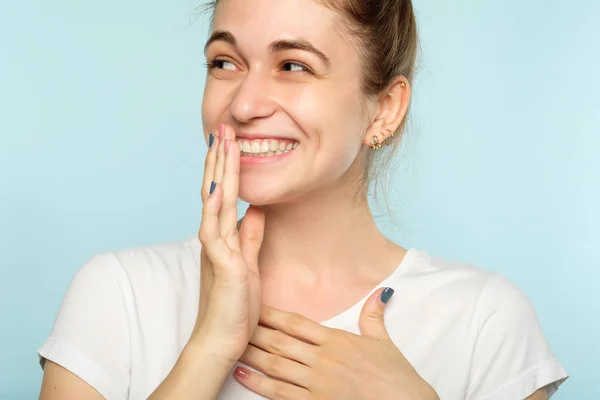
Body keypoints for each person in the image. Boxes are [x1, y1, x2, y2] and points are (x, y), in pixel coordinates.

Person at [37, 0, 569, 399]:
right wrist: (208, 350)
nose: (242, 104)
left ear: (384, 108)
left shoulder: (485, 321)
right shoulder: (117, 293)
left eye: (293, 66)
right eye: (224, 62)